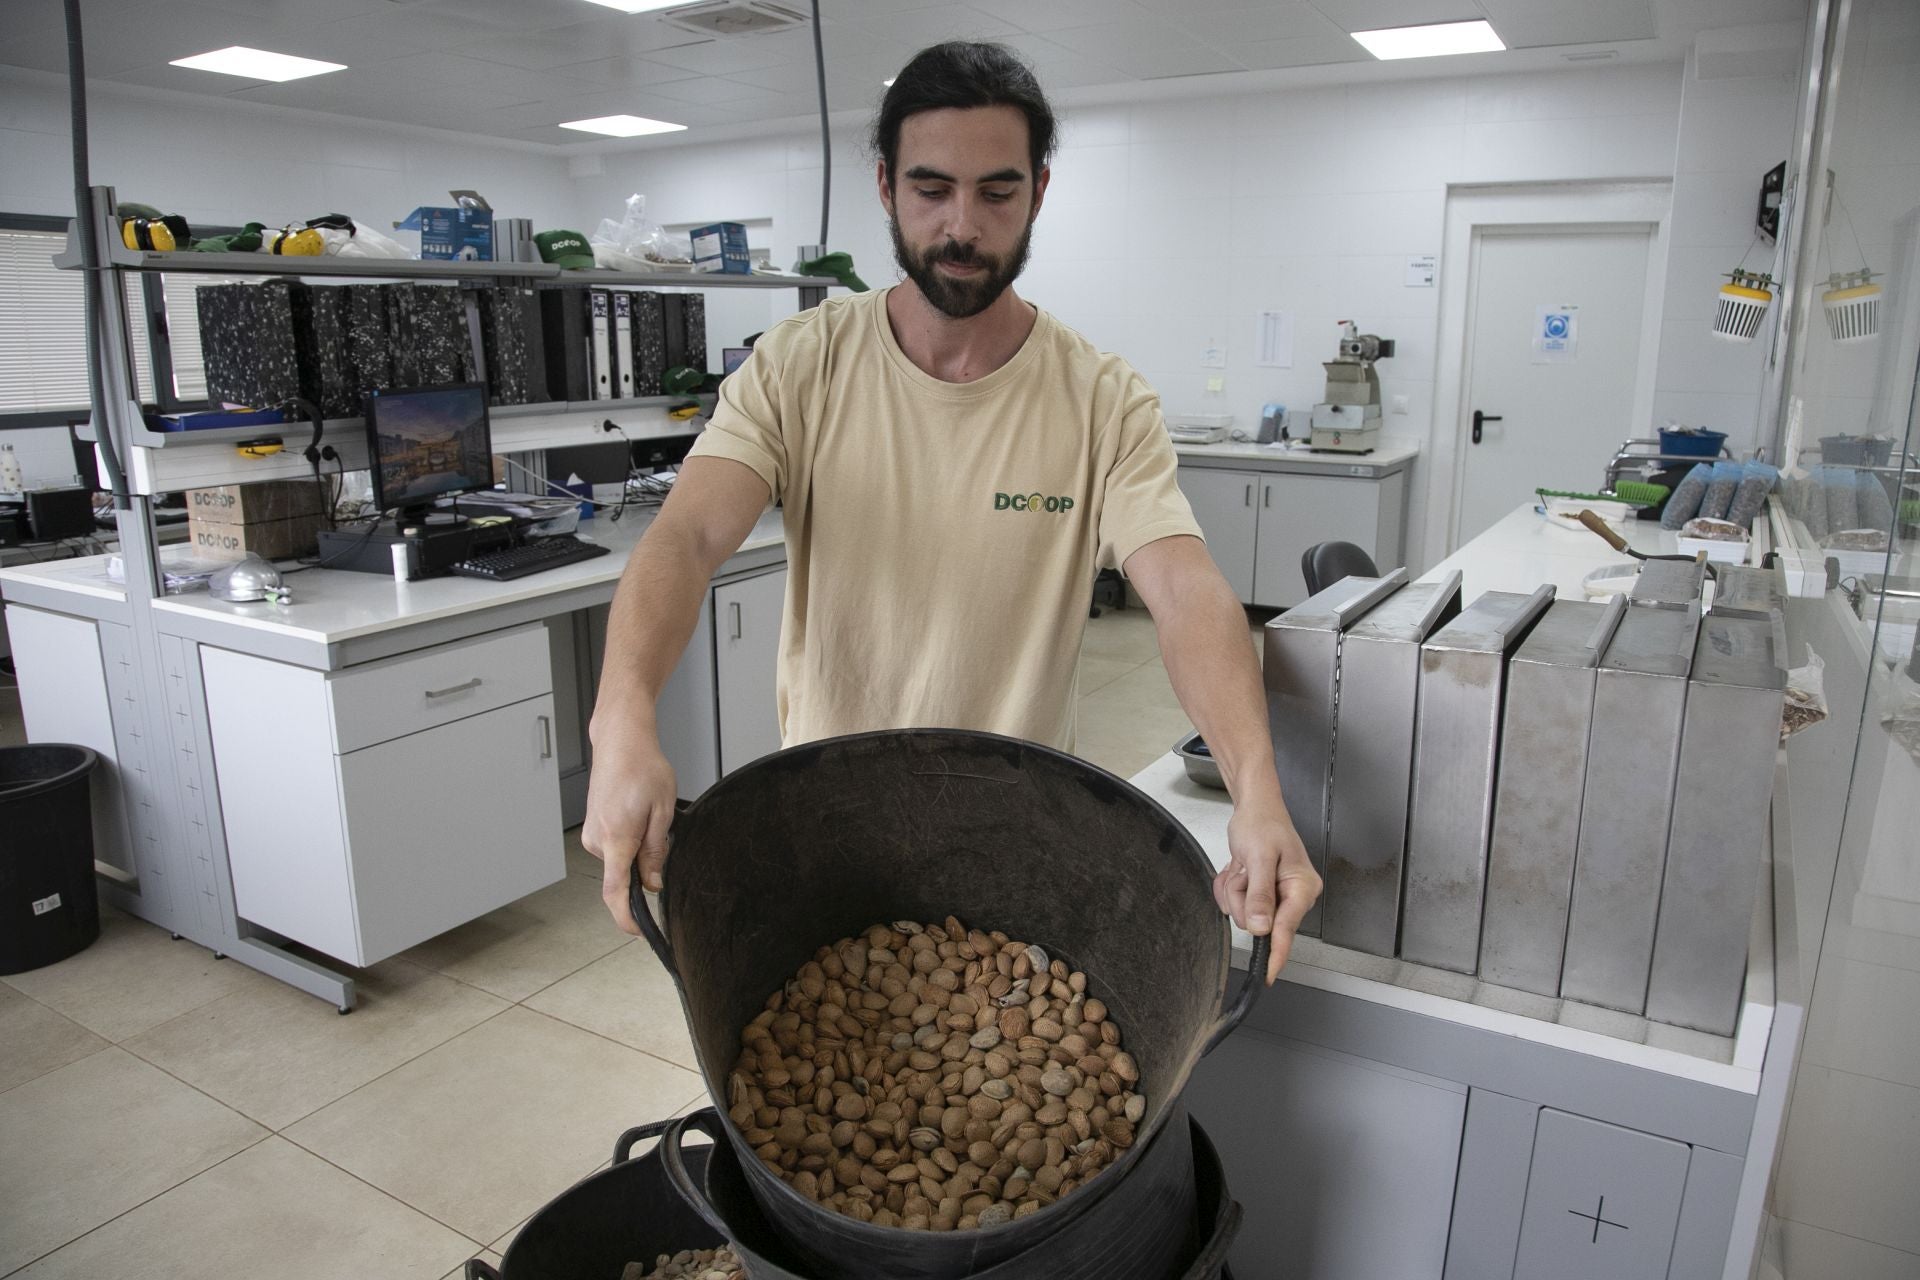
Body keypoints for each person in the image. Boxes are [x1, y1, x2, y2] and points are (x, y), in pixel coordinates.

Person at [583, 41, 1320, 983]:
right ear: (886, 187)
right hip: (828, 829)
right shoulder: (798, 366)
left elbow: (1182, 591)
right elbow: (683, 538)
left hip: (1010, 839)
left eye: (997, 192)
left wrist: (1257, 786)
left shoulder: (1101, 400)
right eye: (932, 189)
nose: (962, 226)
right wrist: (622, 719)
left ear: (1040, 194)